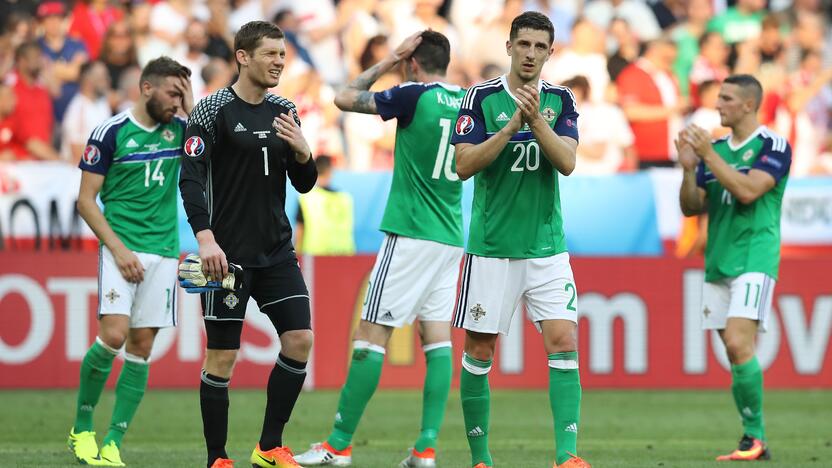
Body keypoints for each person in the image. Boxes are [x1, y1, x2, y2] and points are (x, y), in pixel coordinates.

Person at [294, 30, 465, 468]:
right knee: (438, 341)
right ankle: (426, 449)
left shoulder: (412, 94)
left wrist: (390, 57)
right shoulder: (467, 101)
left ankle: (337, 445)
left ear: (413, 61)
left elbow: (345, 97)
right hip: (450, 238)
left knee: (371, 337)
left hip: (410, 232)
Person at [450, 12, 589, 468]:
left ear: (551, 52)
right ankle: (481, 458)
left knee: (564, 340)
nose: (531, 53)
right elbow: (464, 165)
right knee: (480, 349)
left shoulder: (562, 100)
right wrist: (510, 127)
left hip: (547, 247)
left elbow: (567, 163)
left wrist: (536, 122)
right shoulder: (480, 98)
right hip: (491, 248)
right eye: (523, 44)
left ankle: (567, 456)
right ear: (509, 46)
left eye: (540, 47)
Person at [178, 20, 317, 468]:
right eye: (271, 54)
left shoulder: (284, 109)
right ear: (243, 56)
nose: (280, 61)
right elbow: (191, 178)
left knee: (299, 339)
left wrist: (303, 150)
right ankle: (217, 458)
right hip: (227, 258)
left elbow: (305, 184)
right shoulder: (211, 110)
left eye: (282, 55)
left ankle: (269, 446)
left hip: (277, 250)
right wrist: (205, 238)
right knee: (222, 356)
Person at [69, 56, 193, 467]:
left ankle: (113, 443)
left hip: (163, 251)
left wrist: (191, 107)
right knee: (115, 336)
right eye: (173, 93)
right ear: (146, 89)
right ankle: (82, 427)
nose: (178, 102)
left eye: (183, 94)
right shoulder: (111, 132)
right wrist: (118, 251)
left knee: (142, 346)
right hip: (121, 247)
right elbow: (85, 201)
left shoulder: (181, 131)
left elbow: (217, 145)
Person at [678, 74, 791, 462]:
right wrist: (690, 169)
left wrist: (707, 155)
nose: (718, 104)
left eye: (726, 98)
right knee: (732, 348)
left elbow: (747, 191)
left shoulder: (772, 145)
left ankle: (754, 438)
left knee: (741, 342)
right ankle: (752, 437)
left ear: (748, 104)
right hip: (719, 259)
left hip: (754, 257)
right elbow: (692, 207)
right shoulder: (718, 147)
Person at [294, 155, 355, 256]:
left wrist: (297, 254)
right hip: (344, 255)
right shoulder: (346, 198)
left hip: (315, 257)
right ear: (330, 171)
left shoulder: (306, 198)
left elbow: (300, 229)